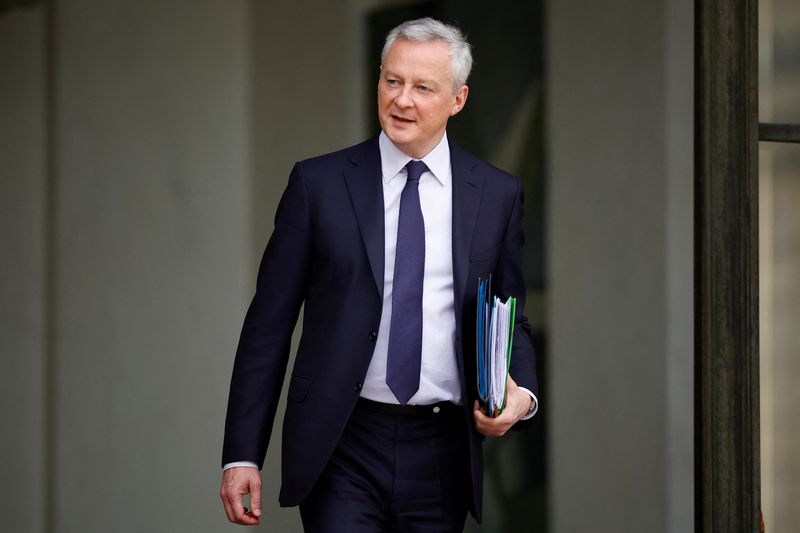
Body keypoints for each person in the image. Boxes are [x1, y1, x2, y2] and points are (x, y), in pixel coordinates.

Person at [220, 17, 538, 532]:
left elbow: (511, 315)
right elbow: (268, 326)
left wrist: (522, 395)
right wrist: (241, 454)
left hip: (442, 449)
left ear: (458, 100)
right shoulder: (317, 185)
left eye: (422, 87)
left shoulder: (497, 196)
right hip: (342, 441)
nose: (401, 100)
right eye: (392, 81)